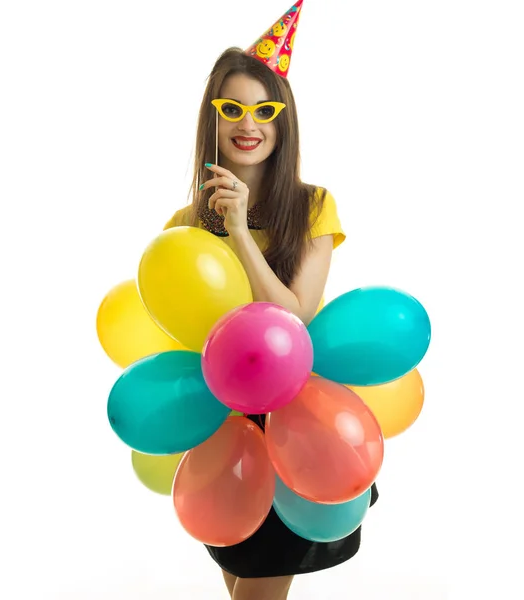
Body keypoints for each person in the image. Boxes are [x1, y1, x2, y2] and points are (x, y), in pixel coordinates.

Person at [163, 2, 378, 598]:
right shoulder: (182, 226)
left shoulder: (313, 207)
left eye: (264, 109)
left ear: (284, 123)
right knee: (240, 584)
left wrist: (237, 232)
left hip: (293, 425)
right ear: (212, 118)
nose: (247, 123)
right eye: (231, 108)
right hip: (217, 429)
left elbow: (296, 318)